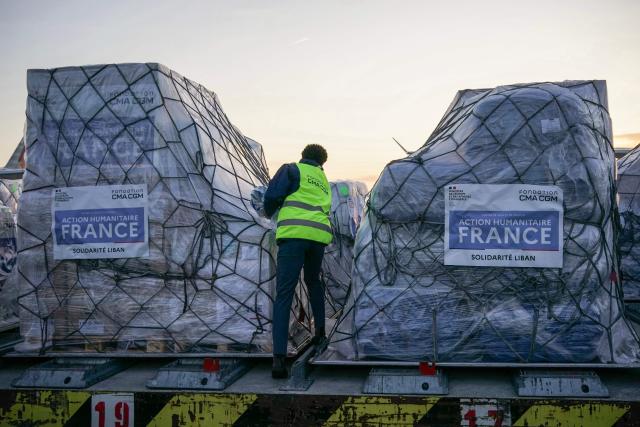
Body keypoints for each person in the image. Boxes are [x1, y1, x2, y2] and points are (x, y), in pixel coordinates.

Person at [264, 144, 332, 379]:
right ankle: (320, 334)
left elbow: (272, 196)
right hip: (318, 239)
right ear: (322, 163)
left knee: (284, 293)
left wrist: (268, 212)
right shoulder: (324, 181)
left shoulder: (292, 170)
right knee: (314, 282)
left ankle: (279, 360)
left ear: (303, 156)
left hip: (293, 236)